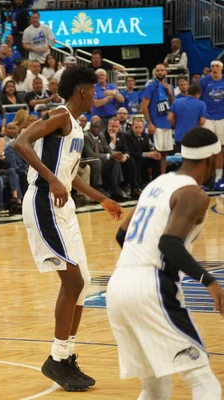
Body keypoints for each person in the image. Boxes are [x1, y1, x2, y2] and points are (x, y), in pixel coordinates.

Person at [12, 66, 123, 391]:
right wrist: (52, 180)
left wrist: (102, 199)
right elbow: (20, 142)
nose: (96, 96)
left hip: (63, 205)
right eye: (94, 90)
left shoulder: (75, 126)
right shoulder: (60, 115)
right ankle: (57, 359)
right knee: (72, 280)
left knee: (84, 282)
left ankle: (65, 355)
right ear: (83, 91)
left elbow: (69, 174)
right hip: (44, 202)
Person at [107, 127, 223, 400]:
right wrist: (210, 282)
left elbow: (122, 234)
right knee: (204, 384)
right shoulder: (195, 195)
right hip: (152, 288)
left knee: (156, 389)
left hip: (119, 286)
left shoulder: (156, 184)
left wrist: (141, 263)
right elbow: (169, 244)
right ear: (212, 157)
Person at [141, 64, 175, 175]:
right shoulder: (151, 86)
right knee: (156, 154)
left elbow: (174, 106)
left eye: (162, 70)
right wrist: (149, 123)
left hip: (167, 124)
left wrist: (170, 93)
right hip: (156, 124)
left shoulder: (170, 87)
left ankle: (163, 178)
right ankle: (152, 180)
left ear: (166, 72)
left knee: (164, 154)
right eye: (158, 70)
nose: (160, 72)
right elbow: (144, 106)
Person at [199, 60, 224, 190]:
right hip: (207, 117)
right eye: (212, 66)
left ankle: (218, 179)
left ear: (221, 68)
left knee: (220, 149)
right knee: (209, 149)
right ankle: (206, 179)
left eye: (217, 67)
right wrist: (200, 116)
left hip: (222, 118)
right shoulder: (203, 81)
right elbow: (198, 99)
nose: (215, 69)